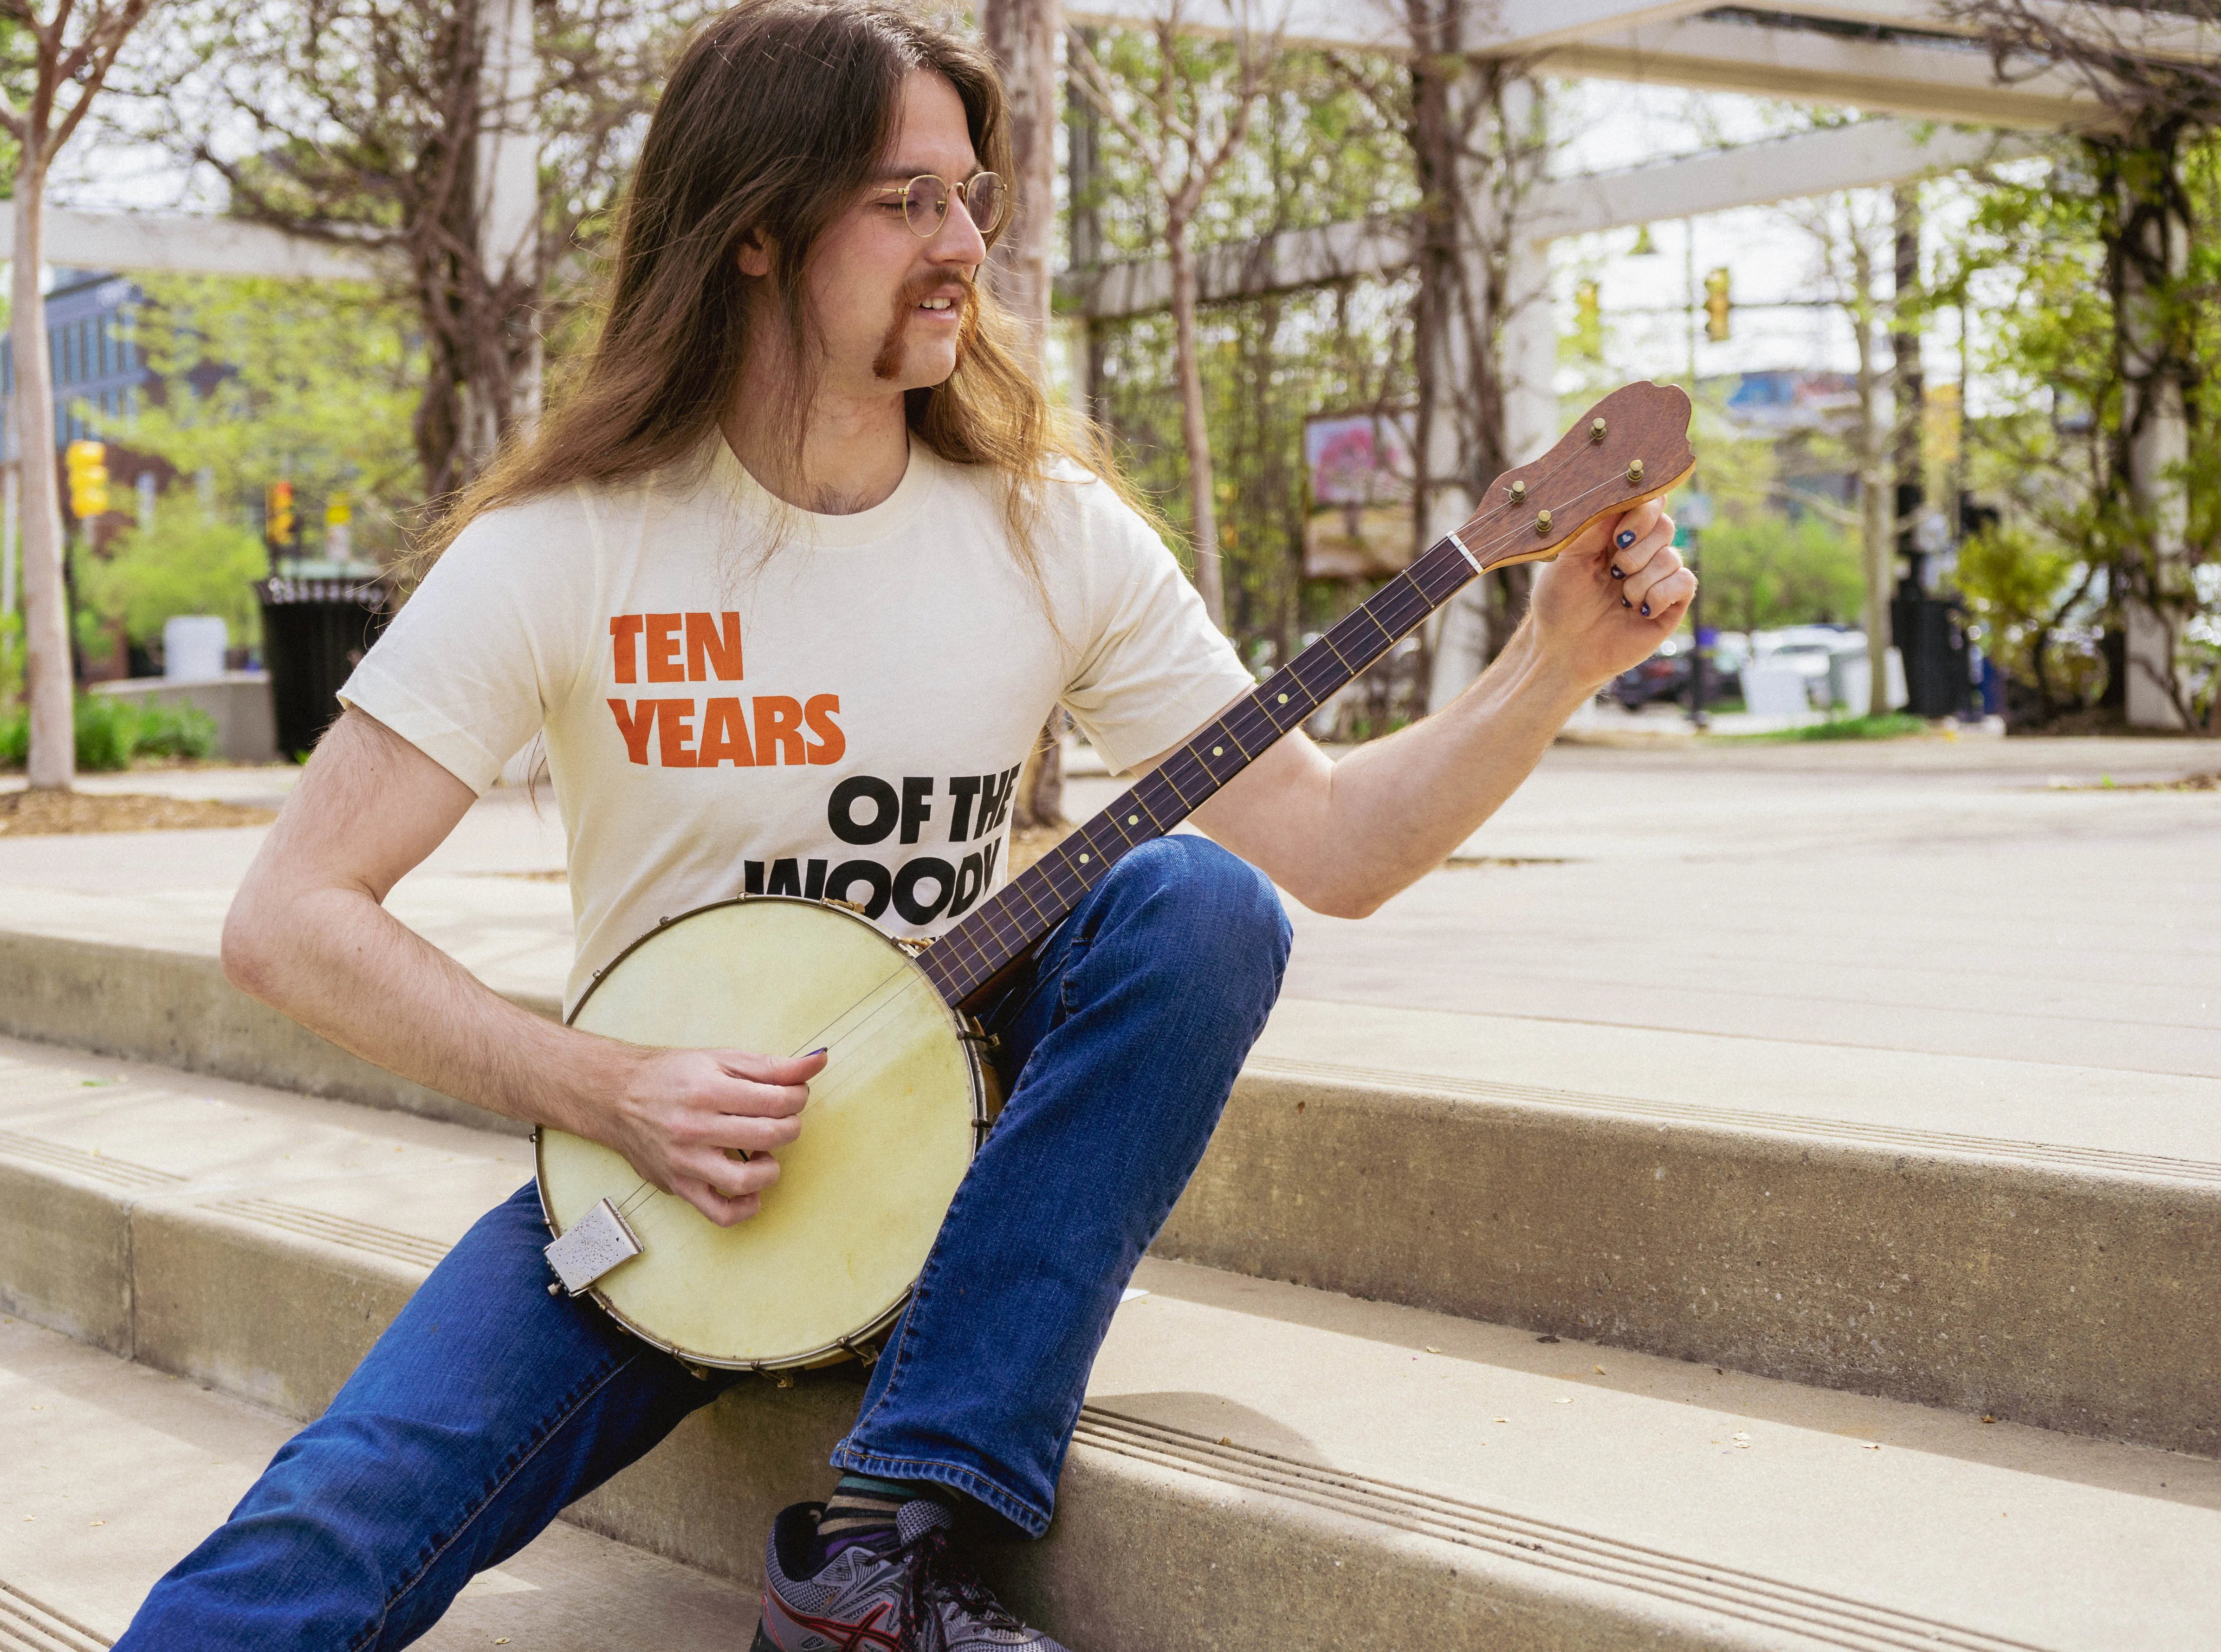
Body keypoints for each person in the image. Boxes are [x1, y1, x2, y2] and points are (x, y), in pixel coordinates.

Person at [113, 2, 1693, 1646]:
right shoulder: (564, 551)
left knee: (1198, 903)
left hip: (941, 1198)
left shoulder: (1047, 534)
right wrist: (608, 1087)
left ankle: (880, 1551)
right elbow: (289, 915)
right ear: (753, 234)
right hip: (665, 1203)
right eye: (906, 200)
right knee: (313, 1535)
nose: (965, 243)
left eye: (973, 196)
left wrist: (1554, 660)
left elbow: (1336, 849)